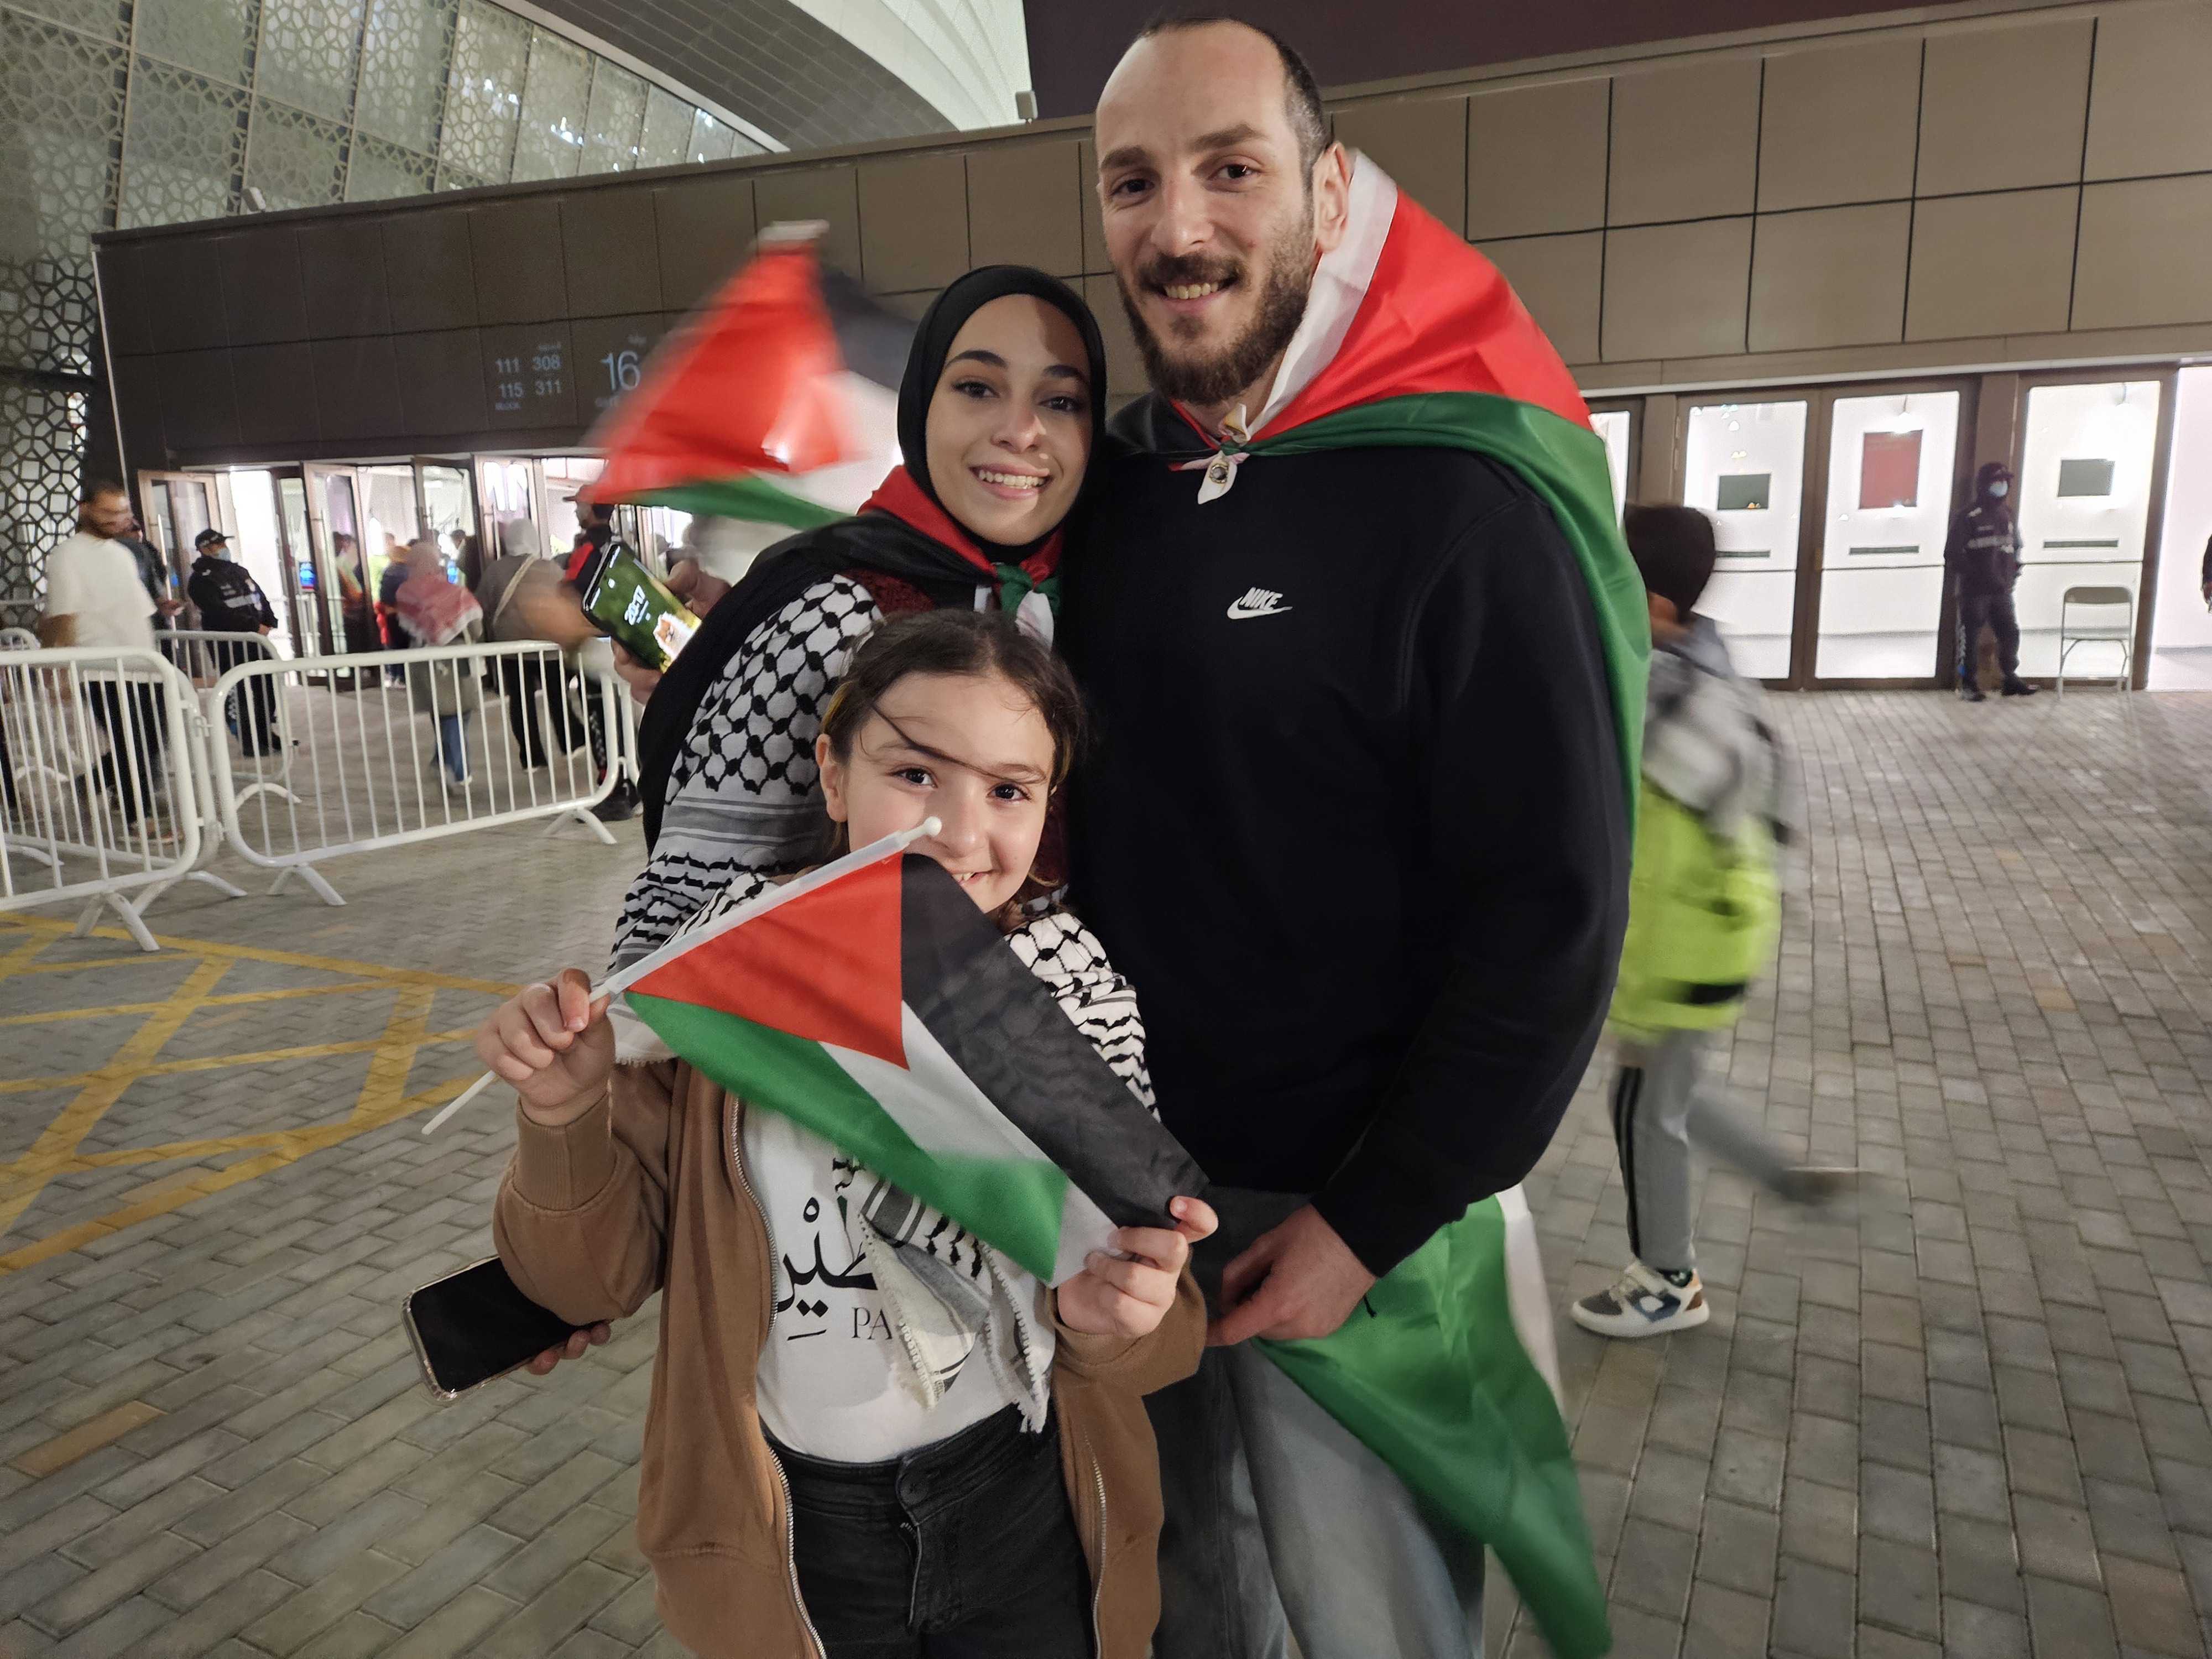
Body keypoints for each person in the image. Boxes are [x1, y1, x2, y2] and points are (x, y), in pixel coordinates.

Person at [1060, 20, 1635, 1658]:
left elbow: (1553, 913)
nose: (1178, 230)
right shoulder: (1092, 505)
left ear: (1325, 190)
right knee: (1174, 1620)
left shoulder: (1461, 507)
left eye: (1229, 169)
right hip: (1110, 1227)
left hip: (1352, 1238)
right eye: (1132, 183)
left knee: (1370, 1628)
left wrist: (1371, 1219)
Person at [482, 608, 1211, 1659]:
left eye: (1009, 790)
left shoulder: (1071, 1006)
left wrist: (1108, 1319)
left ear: (1048, 809)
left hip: (1025, 1508)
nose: (959, 833)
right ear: (832, 775)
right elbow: (580, 1285)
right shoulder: (713, 991)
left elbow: (1164, 1334)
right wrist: (560, 1116)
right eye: (916, 773)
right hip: (793, 1537)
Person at [609, 264, 1106, 979]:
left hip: (1036, 1030)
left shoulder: (1077, 591)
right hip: (848, 1051)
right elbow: (676, 914)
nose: (1022, 431)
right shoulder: (829, 609)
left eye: (1061, 401)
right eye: (975, 388)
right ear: (920, 404)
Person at [1570, 506, 1841, 1339]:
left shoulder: (1666, 700)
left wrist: (1636, 988)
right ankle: (1785, 1175)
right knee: (1664, 1093)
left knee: (1647, 1106)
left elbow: (1658, 865)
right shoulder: (1703, 665)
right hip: (1715, 936)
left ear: (1651, 605)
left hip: (1692, 944)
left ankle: (1668, 1282)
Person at [38, 481, 166, 825]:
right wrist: (59, 671)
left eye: (123, 511)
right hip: (101, 668)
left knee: (152, 738)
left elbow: (136, 611)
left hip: (142, 665)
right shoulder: (68, 555)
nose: (118, 519)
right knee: (132, 742)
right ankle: (138, 818)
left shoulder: (123, 553)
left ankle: (90, 784)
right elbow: (62, 616)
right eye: (109, 512)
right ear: (86, 509)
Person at [392, 536, 482, 786]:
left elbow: (404, 629)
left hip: (425, 661)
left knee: (442, 714)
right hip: (458, 659)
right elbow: (475, 629)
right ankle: (461, 771)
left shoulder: (406, 593)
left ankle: (441, 761)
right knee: (457, 714)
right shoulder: (457, 592)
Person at [184, 527, 282, 757]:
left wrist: (269, 621)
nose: (224, 549)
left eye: (223, 544)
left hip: (257, 640)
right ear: (205, 550)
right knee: (240, 690)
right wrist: (253, 626)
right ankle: (249, 739)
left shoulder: (238, 571)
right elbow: (218, 612)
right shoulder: (200, 580)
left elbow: (259, 597)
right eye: (218, 545)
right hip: (230, 643)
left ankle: (266, 731)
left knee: (266, 687)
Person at [1945, 460, 2035, 701]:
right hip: (1974, 592)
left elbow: (2015, 547)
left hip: (2002, 591)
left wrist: (2012, 575)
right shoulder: (1968, 517)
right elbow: (1953, 553)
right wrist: (1976, 574)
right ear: (1985, 485)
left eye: (2005, 482)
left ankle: (2010, 678)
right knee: (1970, 639)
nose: (2003, 486)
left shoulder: (2007, 514)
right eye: (1998, 482)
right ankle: (1967, 684)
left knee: (2010, 633)